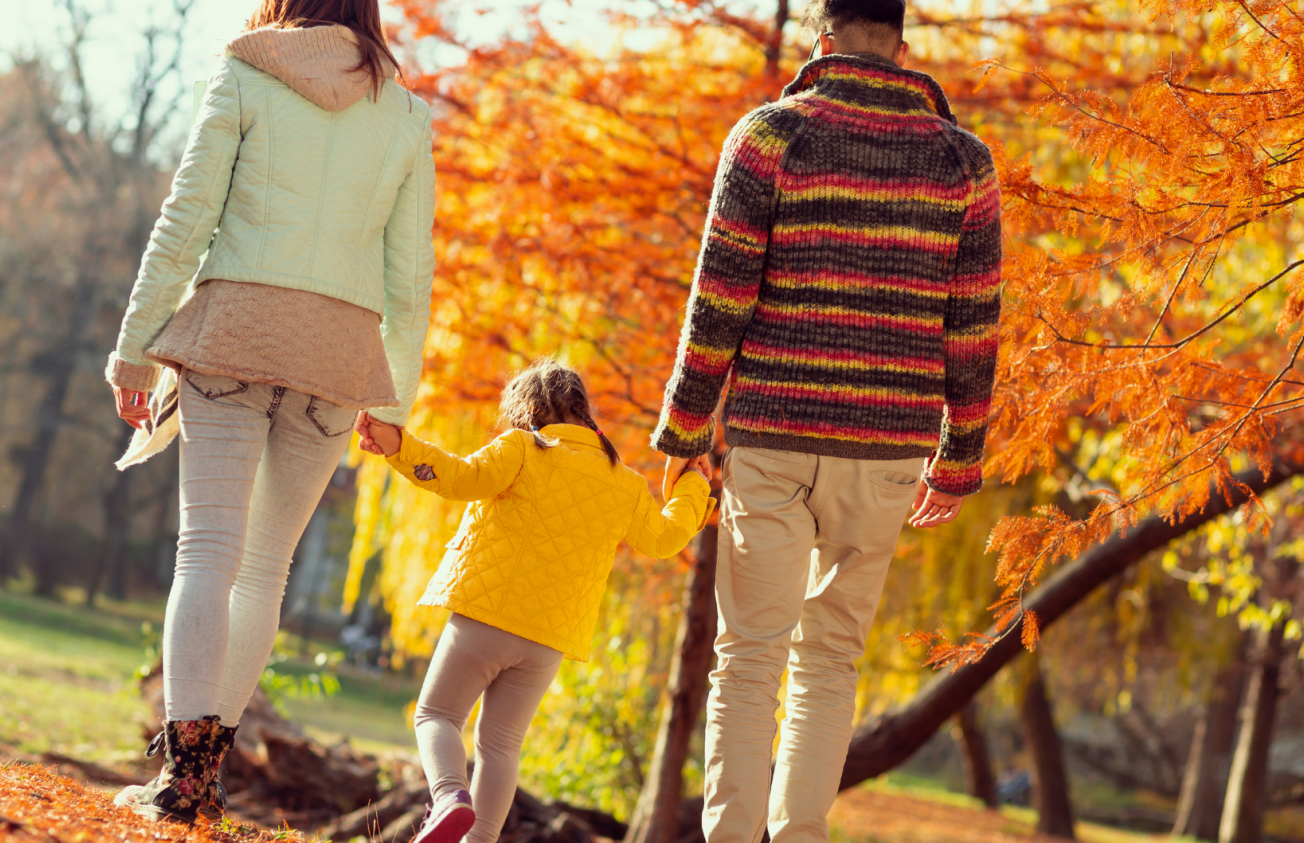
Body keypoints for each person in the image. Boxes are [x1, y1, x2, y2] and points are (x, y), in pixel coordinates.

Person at [649, 0, 1004, 840]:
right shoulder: (964, 162)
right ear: (904, 46)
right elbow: (974, 320)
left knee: (749, 657)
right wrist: (962, 455)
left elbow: (720, 298)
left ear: (822, 36)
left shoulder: (771, 136)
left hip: (772, 434)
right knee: (829, 660)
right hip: (887, 450)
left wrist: (688, 425)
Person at [102, 0, 435, 824]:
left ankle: (183, 782)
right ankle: (206, 773)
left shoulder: (247, 68)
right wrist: (395, 397)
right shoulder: (403, 111)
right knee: (266, 567)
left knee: (208, 550)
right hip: (337, 357)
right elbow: (412, 273)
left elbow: (187, 219)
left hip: (237, 330)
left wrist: (135, 344)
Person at [358, 360, 714, 843]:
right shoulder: (625, 482)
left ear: (527, 408)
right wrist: (694, 481)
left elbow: (460, 479)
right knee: (500, 747)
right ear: (585, 412)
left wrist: (399, 447)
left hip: (487, 616)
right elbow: (666, 536)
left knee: (437, 715)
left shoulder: (523, 447)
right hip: (547, 641)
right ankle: (478, 840)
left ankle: (447, 797)